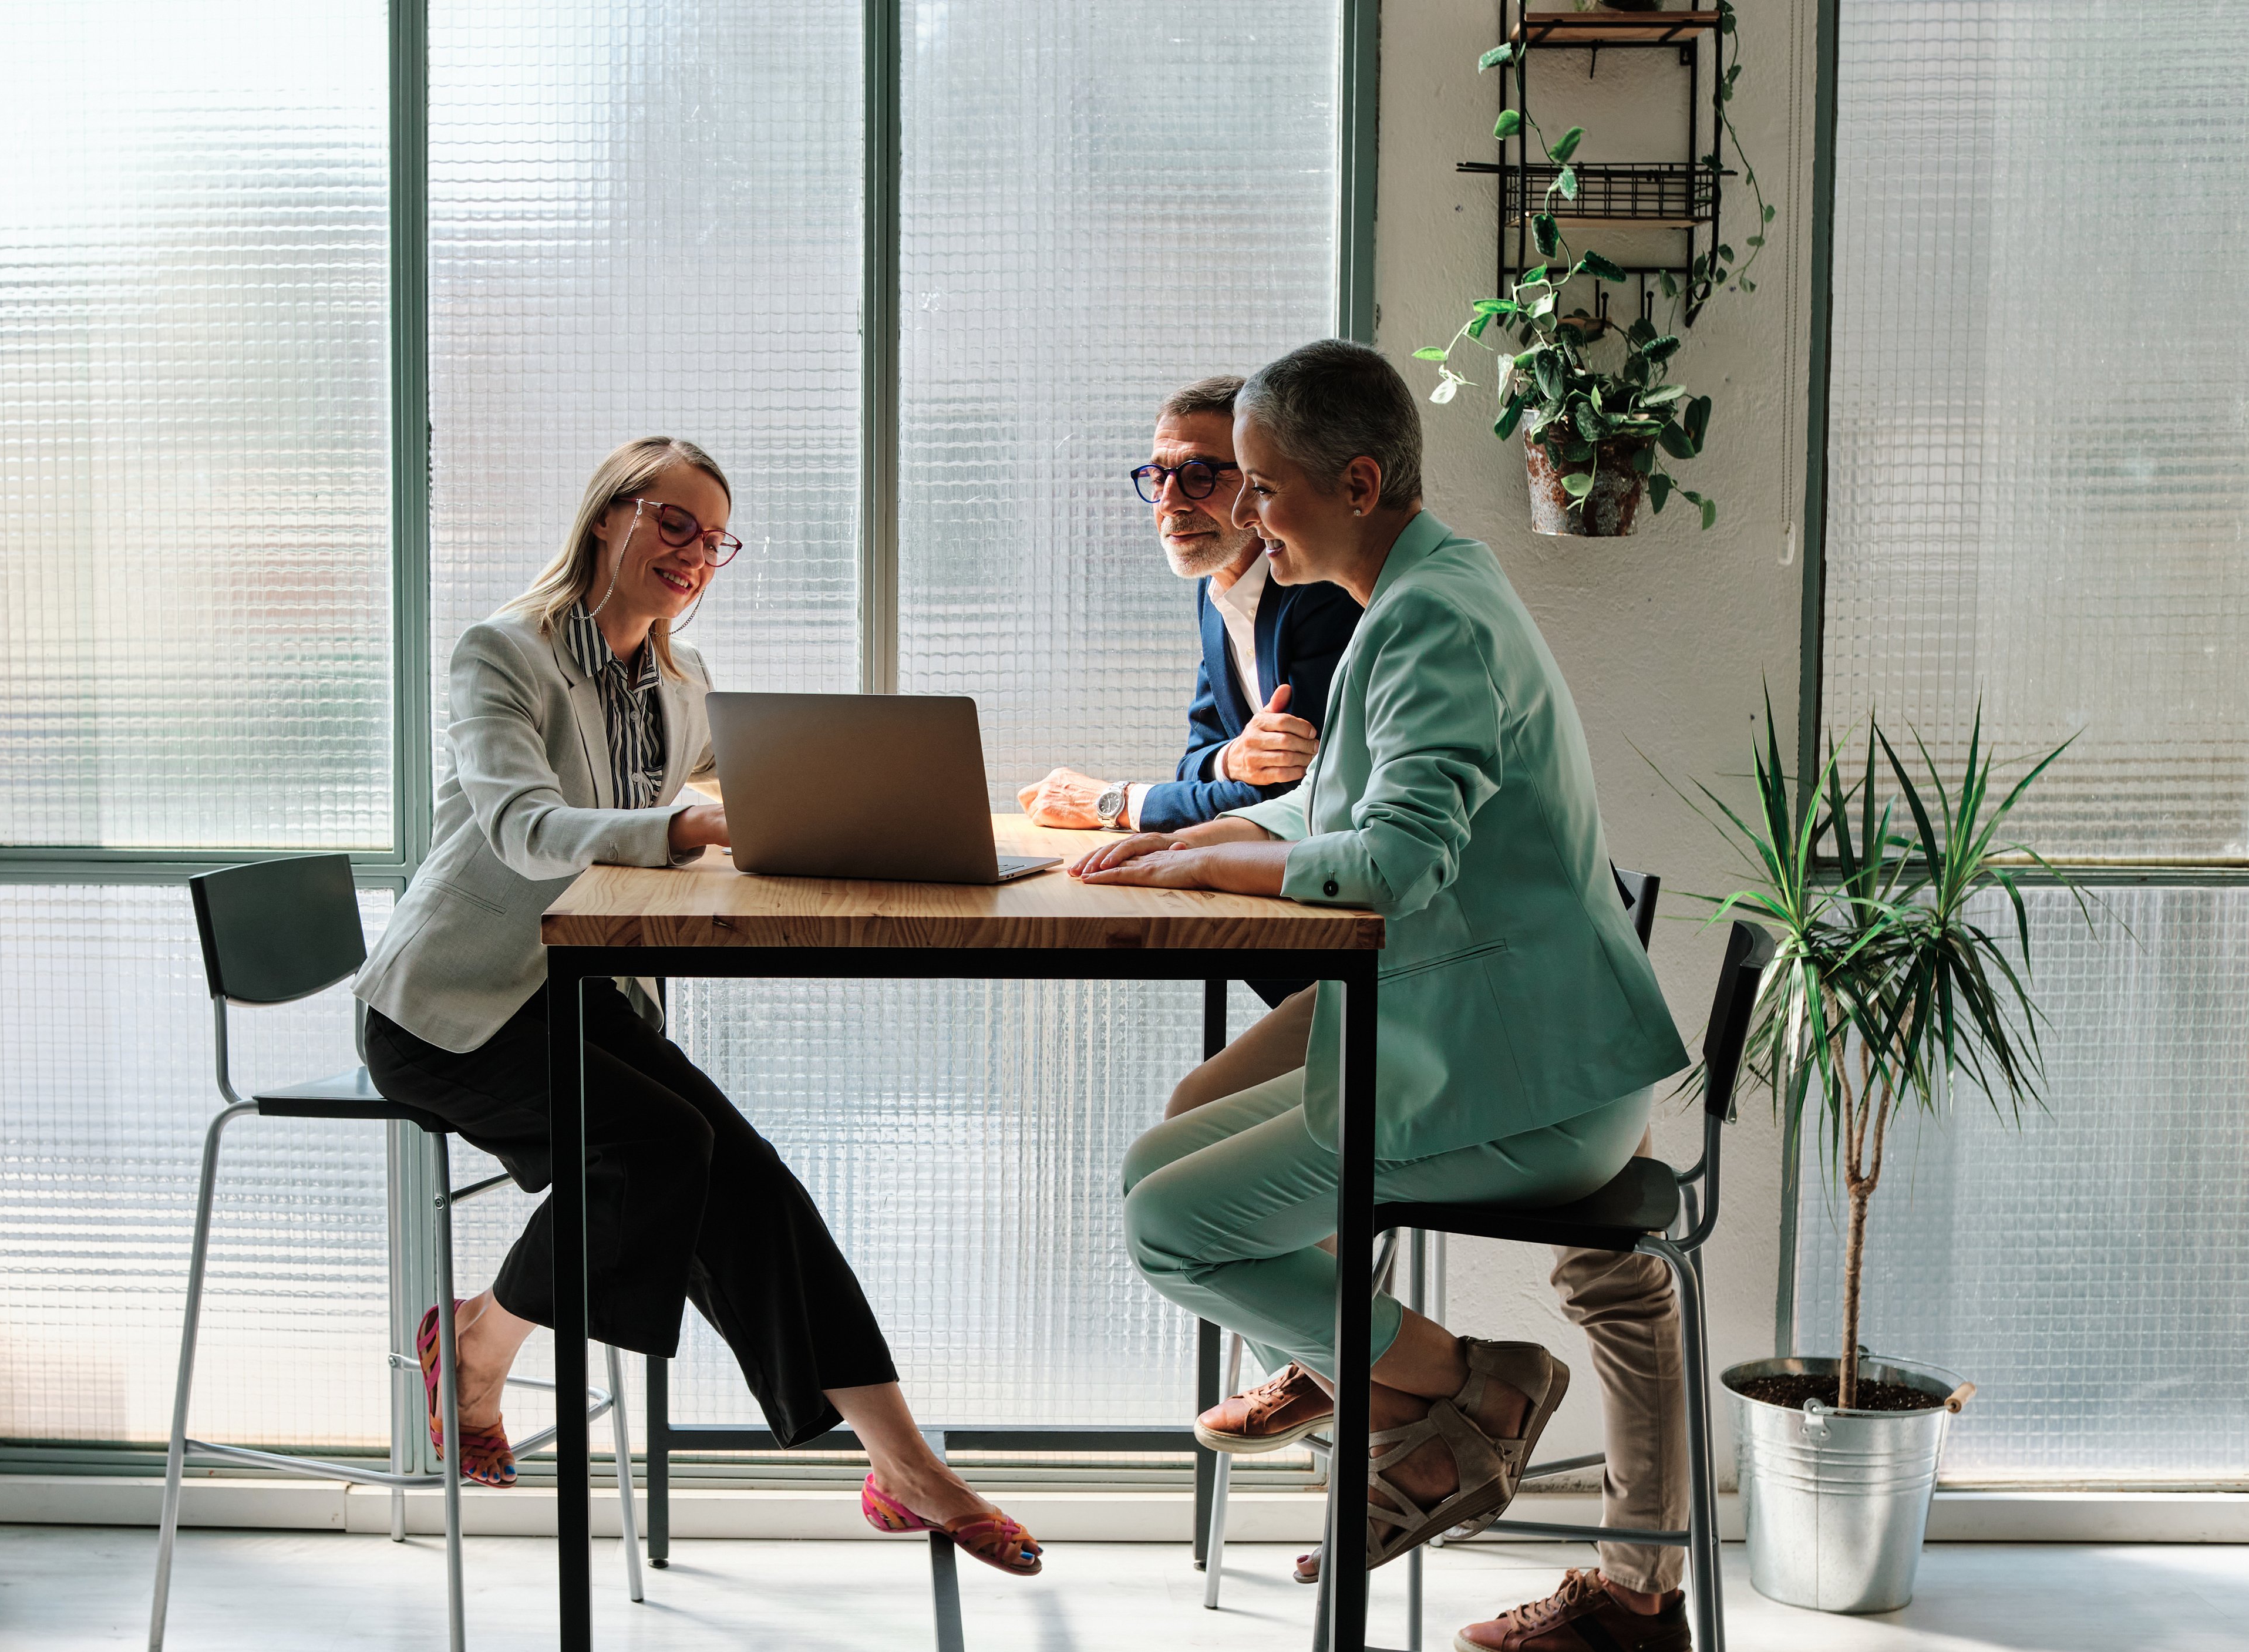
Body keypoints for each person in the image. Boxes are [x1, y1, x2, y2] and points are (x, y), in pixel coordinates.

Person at [351, 435, 1041, 1577]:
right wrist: (674, 828)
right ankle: (478, 1341)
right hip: (451, 1012)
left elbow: (773, 778)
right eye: (673, 523)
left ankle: (901, 1459)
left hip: (580, 996)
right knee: (667, 1146)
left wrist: (892, 809)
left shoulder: (682, 681)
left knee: (744, 1169)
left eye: (713, 538)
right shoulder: (502, 655)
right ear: (606, 515)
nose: (693, 553)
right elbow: (523, 825)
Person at [1075, 343, 1689, 1599]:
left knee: (1167, 1224)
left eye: (1260, 488)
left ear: (1355, 483)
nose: (1247, 516)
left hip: (1530, 1083)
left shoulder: (1432, 619)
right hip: (1476, 1037)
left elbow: (1397, 858)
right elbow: (1334, 806)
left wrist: (1206, 873)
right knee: (1157, 1164)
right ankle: (1429, 1419)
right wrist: (1205, 833)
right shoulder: (1417, 591)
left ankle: (1473, 1385)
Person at [1015, 375, 1362, 846]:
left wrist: (1113, 801)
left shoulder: (1320, 592)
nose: (1170, 503)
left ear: (1258, 486)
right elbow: (1196, 760)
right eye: (1159, 478)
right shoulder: (1215, 589)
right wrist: (1231, 760)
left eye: (1200, 476)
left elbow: (1293, 795)